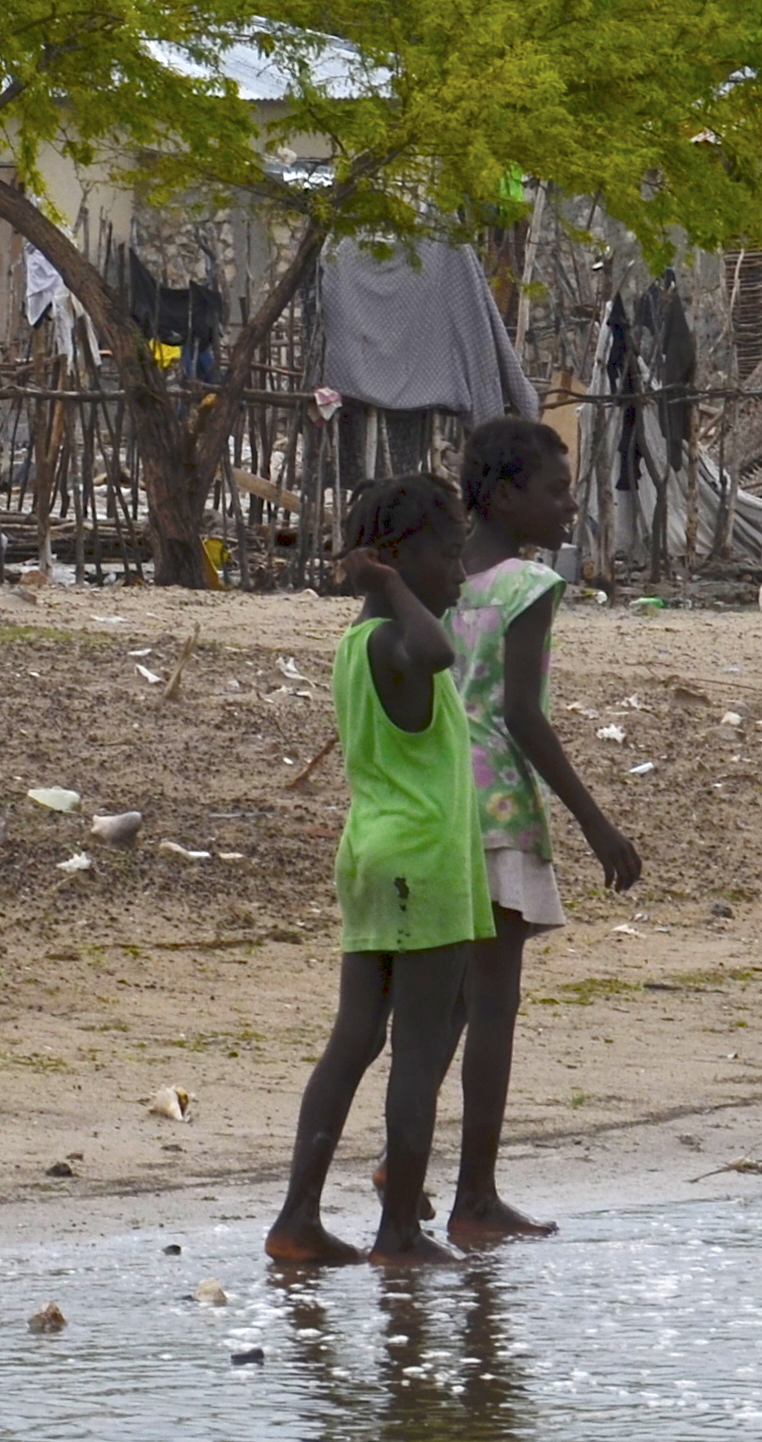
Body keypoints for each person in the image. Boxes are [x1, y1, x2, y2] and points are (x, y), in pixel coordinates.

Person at [427, 414, 647, 1247]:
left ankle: (400, 1162)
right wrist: (597, 824)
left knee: (439, 1002)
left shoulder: (433, 577)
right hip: (498, 811)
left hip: (432, 804)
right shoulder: (524, 587)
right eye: (556, 492)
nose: (568, 506)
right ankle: (475, 1197)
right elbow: (521, 715)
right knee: (493, 1006)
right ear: (506, 495)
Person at [268, 472, 496, 1270]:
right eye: (448, 556)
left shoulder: (356, 644)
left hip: (371, 857)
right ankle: (399, 1230)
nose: (460, 575)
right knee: (419, 1051)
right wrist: (396, 584)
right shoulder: (400, 641)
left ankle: (297, 1219)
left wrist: (393, 584)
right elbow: (438, 648)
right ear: (398, 557)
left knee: (353, 1042)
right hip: (420, 865)